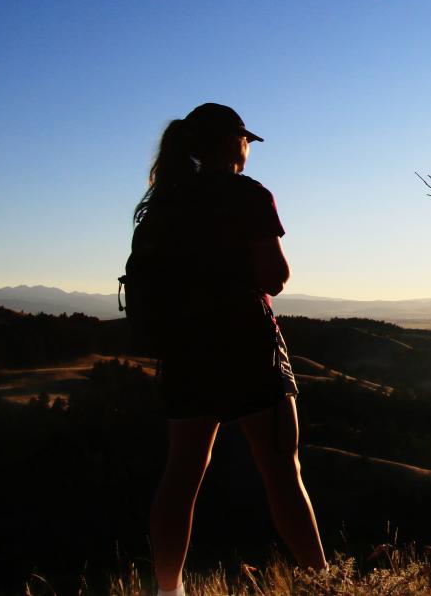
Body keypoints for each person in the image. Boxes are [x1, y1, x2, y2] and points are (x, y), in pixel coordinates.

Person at [133, 103, 326, 596]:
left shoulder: (163, 204)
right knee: (282, 471)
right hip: (246, 346)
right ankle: (323, 583)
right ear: (232, 143)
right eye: (246, 140)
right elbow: (275, 277)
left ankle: (167, 589)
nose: (248, 149)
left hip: (184, 354)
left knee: (181, 477)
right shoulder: (248, 195)